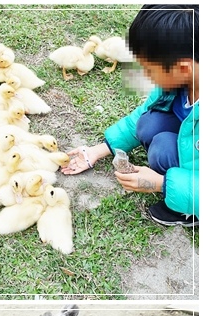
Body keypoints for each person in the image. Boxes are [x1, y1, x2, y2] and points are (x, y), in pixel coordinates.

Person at [61, 4, 199, 226]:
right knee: (150, 122)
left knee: (163, 148)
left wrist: (162, 184)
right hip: (192, 141)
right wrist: (100, 150)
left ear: (183, 69)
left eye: (149, 70)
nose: (145, 76)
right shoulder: (182, 80)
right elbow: (142, 116)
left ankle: (189, 211)